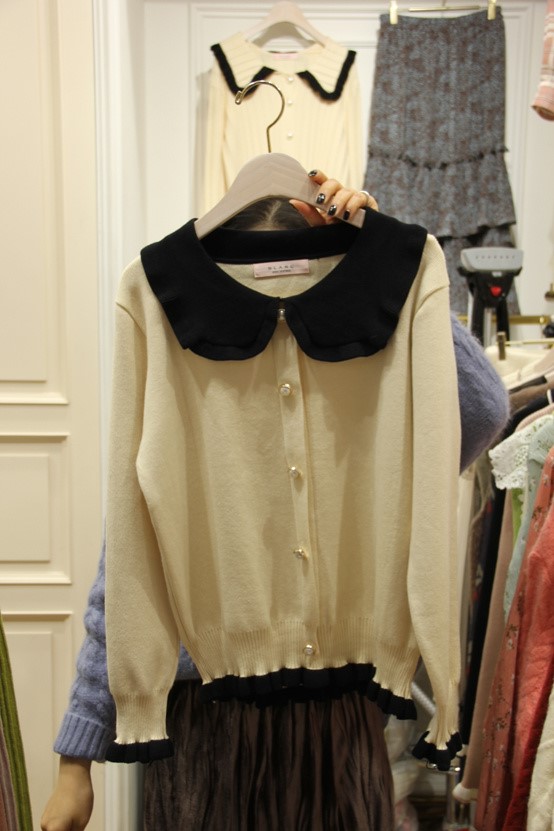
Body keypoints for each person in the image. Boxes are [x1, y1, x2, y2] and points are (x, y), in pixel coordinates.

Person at [41, 172, 509, 831]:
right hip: (206, 719)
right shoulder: (162, 309)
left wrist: (392, 271)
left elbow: (481, 409)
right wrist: (77, 756)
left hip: (337, 705)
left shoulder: (381, 325)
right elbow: (127, 556)